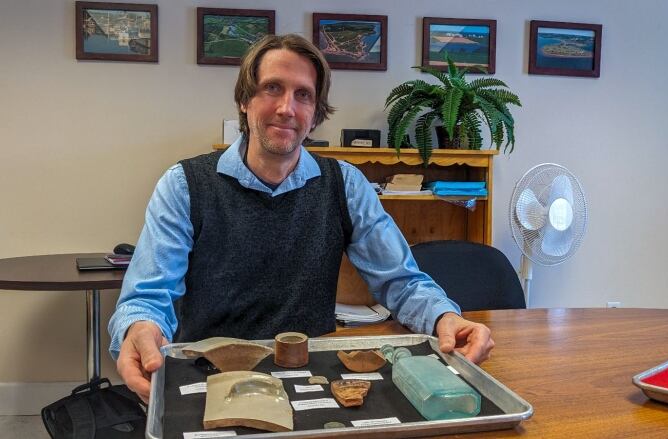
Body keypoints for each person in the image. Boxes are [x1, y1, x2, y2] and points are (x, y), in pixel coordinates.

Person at [108, 34, 494, 403]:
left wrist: (444, 317)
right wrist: (141, 328)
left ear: (315, 115)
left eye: (303, 95)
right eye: (272, 88)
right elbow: (147, 296)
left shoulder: (344, 185)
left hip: (310, 379)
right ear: (245, 100)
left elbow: (403, 282)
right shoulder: (184, 185)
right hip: (208, 376)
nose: (286, 108)